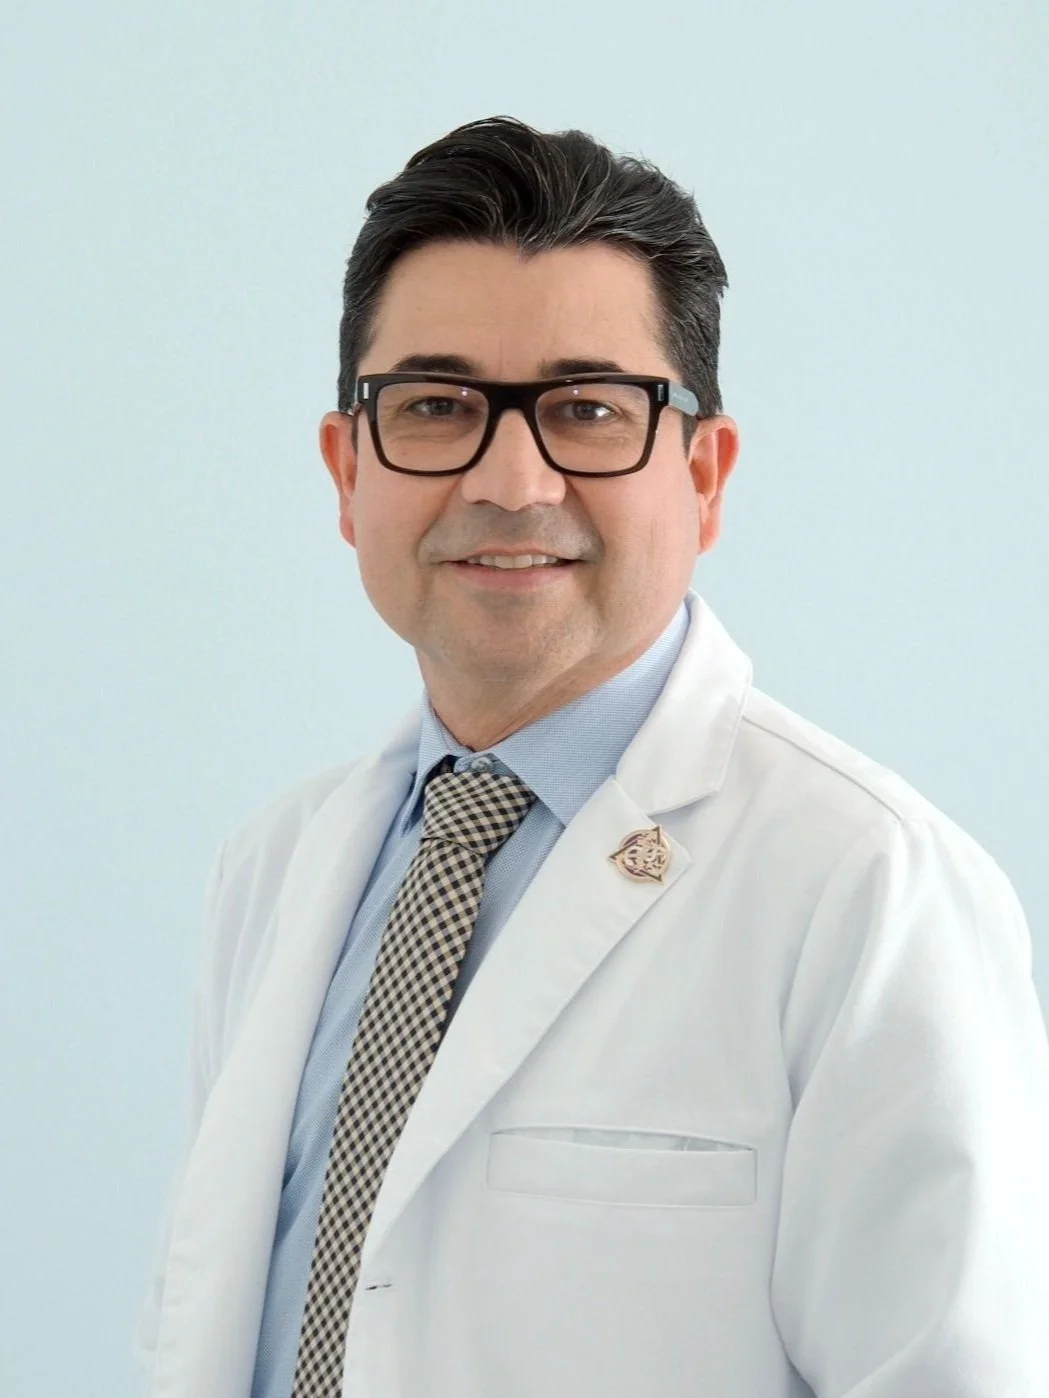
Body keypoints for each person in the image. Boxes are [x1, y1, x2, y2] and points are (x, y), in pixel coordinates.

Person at [134, 115, 1049, 1398]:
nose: (512, 479)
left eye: (587, 409)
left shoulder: (865, 888)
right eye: (437, 406)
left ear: (705, 473)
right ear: (348, 474)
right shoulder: (273, 870)